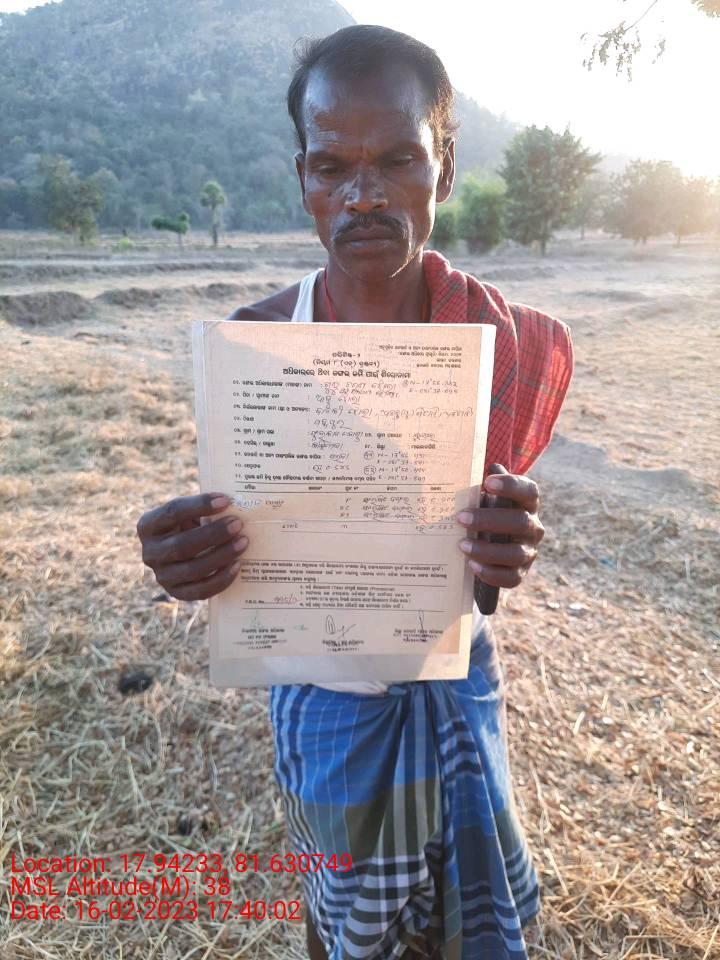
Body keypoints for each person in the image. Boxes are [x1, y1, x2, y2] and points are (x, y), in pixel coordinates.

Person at [136, 24, 573, 960]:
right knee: (344, 922)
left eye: (398, 161)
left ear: (444, 168)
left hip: (454, 682)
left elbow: (480, 577)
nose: (363, 196)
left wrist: (505, 547)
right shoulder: (256, 346)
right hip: (324, 704)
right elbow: (241, 541)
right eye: (332, 167)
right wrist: (187, 559)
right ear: (303, 179)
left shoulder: (501, 344)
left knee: (470, 921)